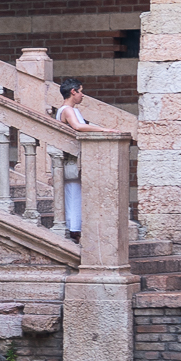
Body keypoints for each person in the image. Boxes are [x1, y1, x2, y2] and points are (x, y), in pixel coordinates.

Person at [55, 81, 120, 243]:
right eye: (80, 91)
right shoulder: (67, 109)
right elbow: (77, 126)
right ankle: (74, 230)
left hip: (75, 158)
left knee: (76, 194)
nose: (82, 95)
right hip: (71, 160)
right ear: (73, 92)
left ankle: (75, 229)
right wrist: (104, 129)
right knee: (73, 195)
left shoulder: (71, 110)